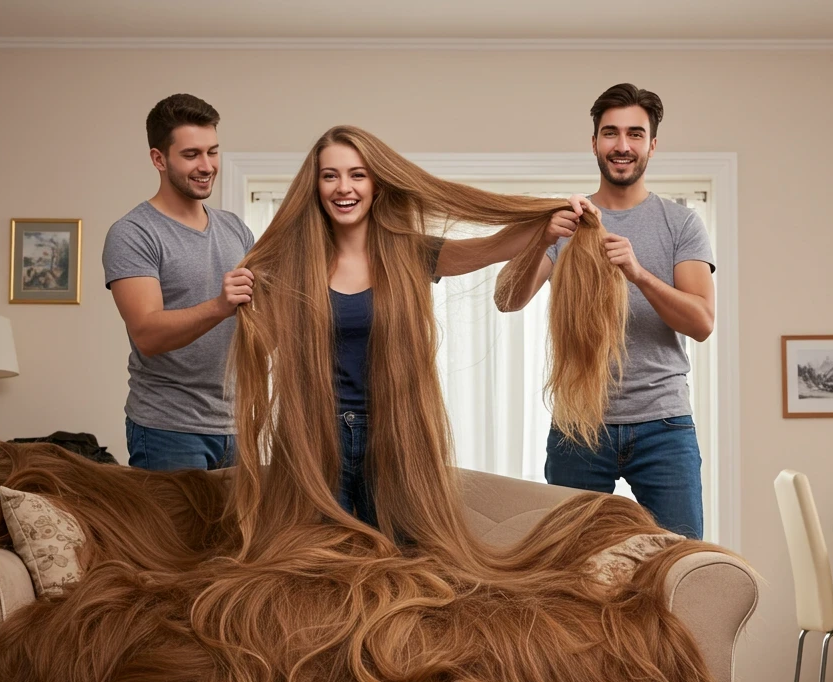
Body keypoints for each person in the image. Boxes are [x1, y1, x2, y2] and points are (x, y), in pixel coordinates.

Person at [235, 126, 589, 526]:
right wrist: (240, 301)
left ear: (377, 184)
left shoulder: (408, 253)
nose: (342, 187)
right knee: (315, 566)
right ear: (315, 186)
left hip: (394, 435)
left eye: (357, 174)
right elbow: (263, 345)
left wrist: (548, 220)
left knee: (403, 562)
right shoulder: (291, 264)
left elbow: (490, 248)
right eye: (329, 175)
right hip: (312, 439)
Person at [495, 83, 716, 539]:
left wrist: (639, 273)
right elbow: (507, 299)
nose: (622, 145)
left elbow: (701, 323)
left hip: (664, 424)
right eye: (610, 133)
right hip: (579, 423)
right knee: (565, 570)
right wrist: (540, 235)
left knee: (683, 563)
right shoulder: (564, 221)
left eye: (635, 134)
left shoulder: (681, 223)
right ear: (594, 142)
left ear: (652, 145)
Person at [102, 93, 255, 472]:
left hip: (237, 426)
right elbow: (148, 335)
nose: (207, 166)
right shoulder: (133, 233)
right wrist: (220, 306)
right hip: (167, 427)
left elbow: (259, 319)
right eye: (192, 155)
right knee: (175, 535)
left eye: (213, 152)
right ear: (159, 158)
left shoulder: (235, 228)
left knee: (237, 535)